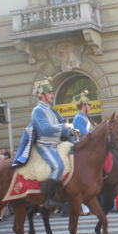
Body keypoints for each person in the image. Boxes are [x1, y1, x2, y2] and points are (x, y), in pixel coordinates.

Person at [13, 77, 73, 208]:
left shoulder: (51, 111)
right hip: (45, 146)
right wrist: (64, 127)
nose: (53, 95)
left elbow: (62, 131)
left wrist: (72, 132)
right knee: (58, 166)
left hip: (57, 145)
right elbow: (45, 129)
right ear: (42, 95)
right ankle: (48, 199)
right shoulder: (38, 111)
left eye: (52, 92)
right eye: (50, 93)